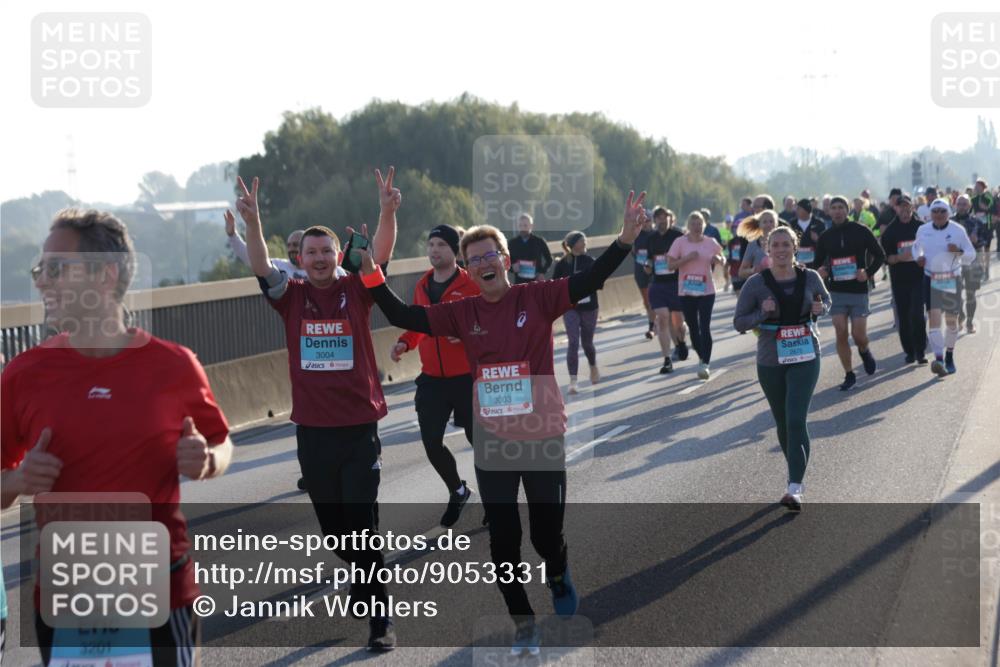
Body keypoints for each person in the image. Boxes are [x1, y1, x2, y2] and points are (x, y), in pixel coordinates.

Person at [360, 190, 649, 654]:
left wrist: (625, 239)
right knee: (504, 540)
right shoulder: (461, 311)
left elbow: (592, 277)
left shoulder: (539, 298)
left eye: (490, 254)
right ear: (468, 271)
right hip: (493, 439)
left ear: (507, 260)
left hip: (541, 434)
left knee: (545, 534)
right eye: (474, 260)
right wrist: (369, 273)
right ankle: (523, 623)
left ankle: (557, 572)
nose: (483, 264)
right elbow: (401, 314)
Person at [1, 208, 234, 666]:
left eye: (55, 269)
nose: (42, 281)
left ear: (105, 275)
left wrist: (208, 460)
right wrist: (17, 480)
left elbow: (222, 443)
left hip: (161, 598)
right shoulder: (23, 375)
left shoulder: (174, 365)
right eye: (39, 269)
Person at [237, 169, 400, 651]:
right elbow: (260, 263)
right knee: (337, 534)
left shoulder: (358, 289)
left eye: (327, 251)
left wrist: (387, 212)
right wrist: (253, 221)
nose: (320, 259)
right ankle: (360, 574)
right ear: (300, 260)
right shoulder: (292, 297)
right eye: (311, 253)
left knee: (363, 527)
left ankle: (380, 618)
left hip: (359, 429)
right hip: (313, 431)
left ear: (337, 256)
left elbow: (383, 254)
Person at [734, 226, 830, 512]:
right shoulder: (756, 283)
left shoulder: (810, 277)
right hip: (770, 359)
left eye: (786, 244)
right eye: (775, 245)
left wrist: (819, 309)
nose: (781, 250)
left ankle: (795, 486)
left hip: (805, 354)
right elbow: (739, 323)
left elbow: (826, 301)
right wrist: (762, 312)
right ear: (767, 249)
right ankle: (794, 473)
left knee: (796, 418)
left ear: (794, 247)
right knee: (782, 421)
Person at [390, 224, 479, 527]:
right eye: (430, 245)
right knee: (431, 442)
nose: (434, 250)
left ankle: (496, 500)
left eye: (441, 244)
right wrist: (405, 341)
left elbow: (488, 322)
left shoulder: (472, 284)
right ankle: (458, 490)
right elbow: (418, 322)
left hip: (467, 377)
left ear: (455, 250)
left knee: (478, 441)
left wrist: (467, 335)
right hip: (432, 379)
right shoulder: (423, 286)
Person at [814, 196, 886, 390]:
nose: (837, 211)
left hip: (858, 291)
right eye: (834, 208)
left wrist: (868, 273)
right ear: (829, 211)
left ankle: (864, 351)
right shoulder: (826, 236)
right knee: (840, 331)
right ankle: (849, 373)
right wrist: (821, 271)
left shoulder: (861, 230)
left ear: (847, 210)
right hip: (836, 291)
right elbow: (816, 263)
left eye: (841, 208)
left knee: (858, 334)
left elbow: (880, 255)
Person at [911, 198, 977, 376]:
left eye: (942, 211)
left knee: (951, 321)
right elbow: (916, 248)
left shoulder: (957, 230)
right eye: (935, 212)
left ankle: (949, 355)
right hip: (930, 278)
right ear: (930, 214)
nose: (938, 215)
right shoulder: (923, 230)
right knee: (933, 319)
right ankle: (939, 359)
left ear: (948, 212)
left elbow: (971, 255)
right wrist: (919, 258)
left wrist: (957, 252)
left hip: (951, 278)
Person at [668, 212, 726, 379]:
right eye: (693, 224)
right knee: (693, 327)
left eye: (699, 223)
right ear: (688, 225)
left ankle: (705, 363)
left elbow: (723, 258)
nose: (696, 227)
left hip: (706, 290)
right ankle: (701, 356)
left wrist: (719, 259)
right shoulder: (680, 242)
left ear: (704, 225)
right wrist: (686, 258)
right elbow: (670, 265)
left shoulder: (710, 242)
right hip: (686, 291)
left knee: (705, 326)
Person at [880, 195, 927, 363]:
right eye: (902, 208)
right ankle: (909, 351)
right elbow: (886, 258)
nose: (905, 211)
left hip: (919, 277)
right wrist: (900, 258)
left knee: (917, 313)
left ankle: (920, 351)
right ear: (896, 209)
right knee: (904, 315)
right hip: (900, 279)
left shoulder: (921, 227)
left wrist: (923, 258)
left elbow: (930, 250)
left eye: (908, 208)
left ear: (912, 208)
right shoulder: (891, 231)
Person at [553, 231, 601, 394]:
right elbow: (555, 285)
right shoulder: (562, 264)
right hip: (571, 308)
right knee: (573, 342)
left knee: (587, 342)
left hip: (589, 307)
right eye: (581, 240)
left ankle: (593, 366)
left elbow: (599, 282)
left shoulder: (590, 261)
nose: (585, 242)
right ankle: (573, 380)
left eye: (585, 239)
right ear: (573, 244)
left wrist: (588, 284)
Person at [645, 207, 689, 372]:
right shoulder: (651, 238)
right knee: (662, 318)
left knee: (678, 322)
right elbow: (649, 258)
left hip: (677, 283)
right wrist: (648, 266)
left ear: (672, 219)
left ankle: (681, 342)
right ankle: (667, 359)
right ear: (655, 220)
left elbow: (687, 256)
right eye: (658, 218)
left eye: (665, 218)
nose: (662, 221)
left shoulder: (679, 236)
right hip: (658, 284)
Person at [951, 195, 990, 334]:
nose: (961, 206)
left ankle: (969, 322)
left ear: (969, 206)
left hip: (972, 262)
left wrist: (977, 240)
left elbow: (985, 239)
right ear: (955, 205)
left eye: (964, 204)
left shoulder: (976, 222)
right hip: (954, 263)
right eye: (959, 203)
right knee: (955, 294)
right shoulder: (950, 223)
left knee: (971, 294)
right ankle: (960, 315)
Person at [508, 213, 553, 284]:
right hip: (519, 282)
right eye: (520, 225)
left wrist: (542, 272)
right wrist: (512, 268)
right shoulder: (512, 243)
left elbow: (549, 259)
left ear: (531, 226)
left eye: (525, 225)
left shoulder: (539, 241)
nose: (522, 228)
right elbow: (506, 261)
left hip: (536, 281)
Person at [632, 215, 656, 339]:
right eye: (643, 221)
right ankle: (653, 322)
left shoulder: (657, 234)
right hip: (640, 271)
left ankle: (652, 327)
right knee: (647, 302)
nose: (646, 223)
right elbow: (632, 251)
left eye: (648, 221)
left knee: (652, 300)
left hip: (654, 271)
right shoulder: (636, 235)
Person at [737, 210, 777, 281]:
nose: (768, 224)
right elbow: (741, 272)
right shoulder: (753, 244)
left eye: (771, 221)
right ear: (759, 224)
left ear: (776, 224)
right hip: (761, 286)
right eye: (765, 222)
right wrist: (753, 270)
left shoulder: (783, 242)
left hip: (780, 284)